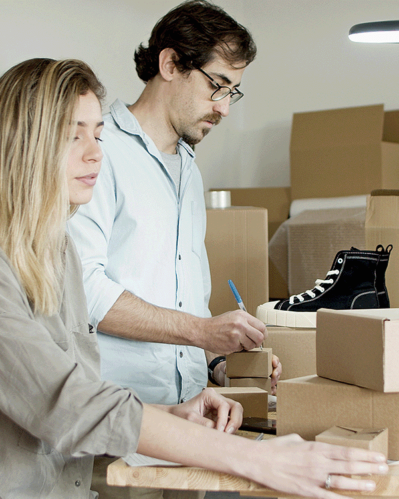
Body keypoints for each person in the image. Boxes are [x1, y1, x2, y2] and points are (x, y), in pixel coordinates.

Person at [0, 56, 390, 499]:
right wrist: (260, 459)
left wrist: (174, 409)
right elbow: (66, 401)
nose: (95, 153)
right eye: (73, 136)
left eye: (98, 134)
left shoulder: (57, 249)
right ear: (22, 143)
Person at [67, 0, 281, 410]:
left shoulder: (189, 170)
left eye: (232, 92)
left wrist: (220, 361)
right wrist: (202, 330)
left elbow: (188, 302)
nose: (224, 107)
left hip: (190, 414)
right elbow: (83, 291)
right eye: (217, 85)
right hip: (115, 420)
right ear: (169, 64)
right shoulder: (98, 153)